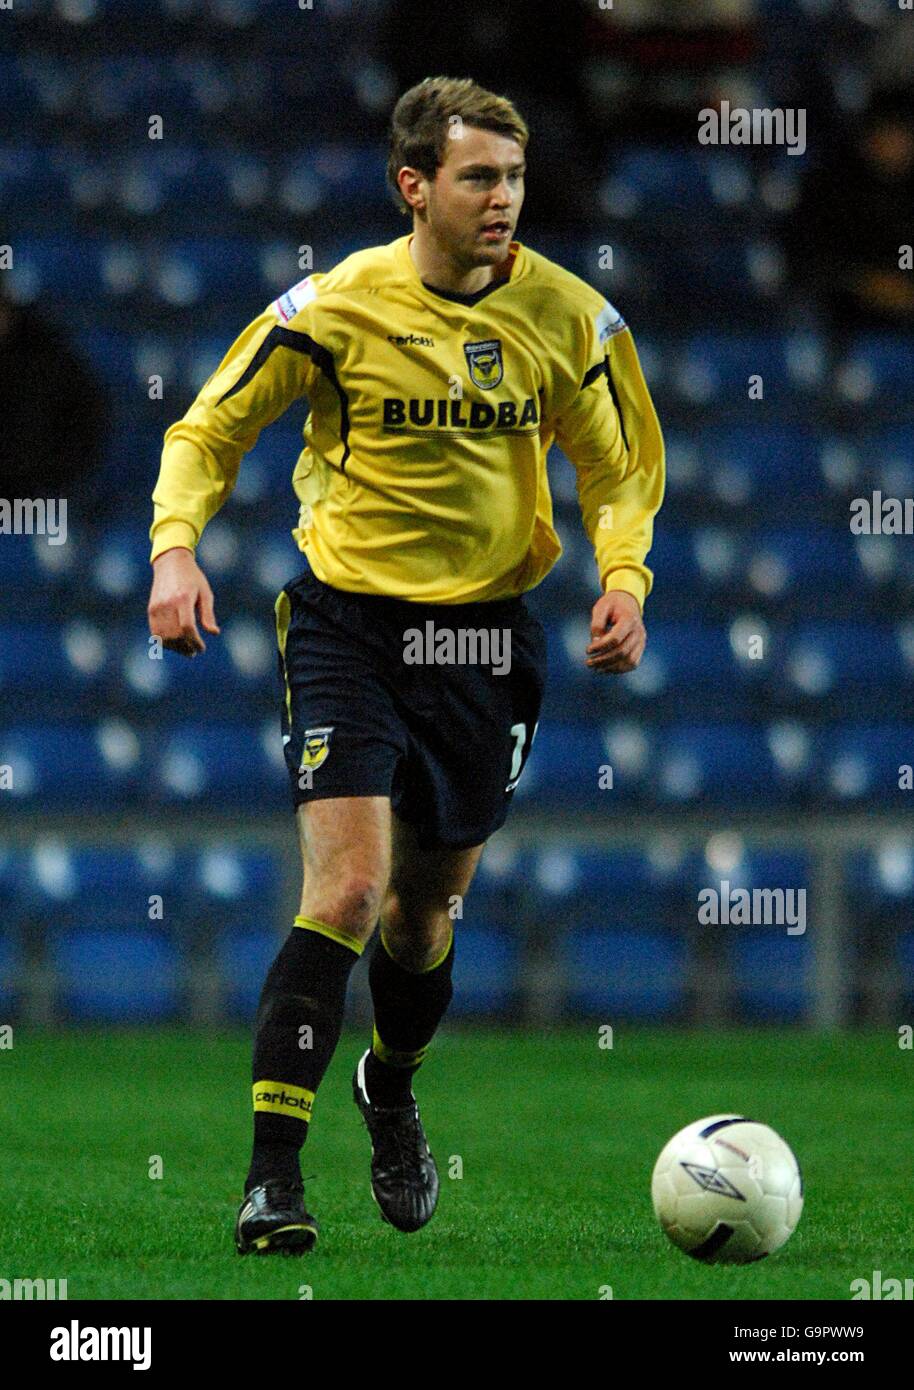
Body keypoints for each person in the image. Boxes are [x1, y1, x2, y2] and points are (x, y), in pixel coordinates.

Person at [146, 76, 665, 1255]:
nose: (502, 200)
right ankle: (272, 1177)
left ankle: (391, 1087)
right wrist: (175, 551)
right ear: (413, 186)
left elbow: (622, 464)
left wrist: (623, 578)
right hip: (348, 627)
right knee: (344, 886)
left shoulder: (571, 319)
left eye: (515, 177)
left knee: (424, 913)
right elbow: (208, 428)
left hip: (485, 640)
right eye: (478, 177)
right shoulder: (333, 308)